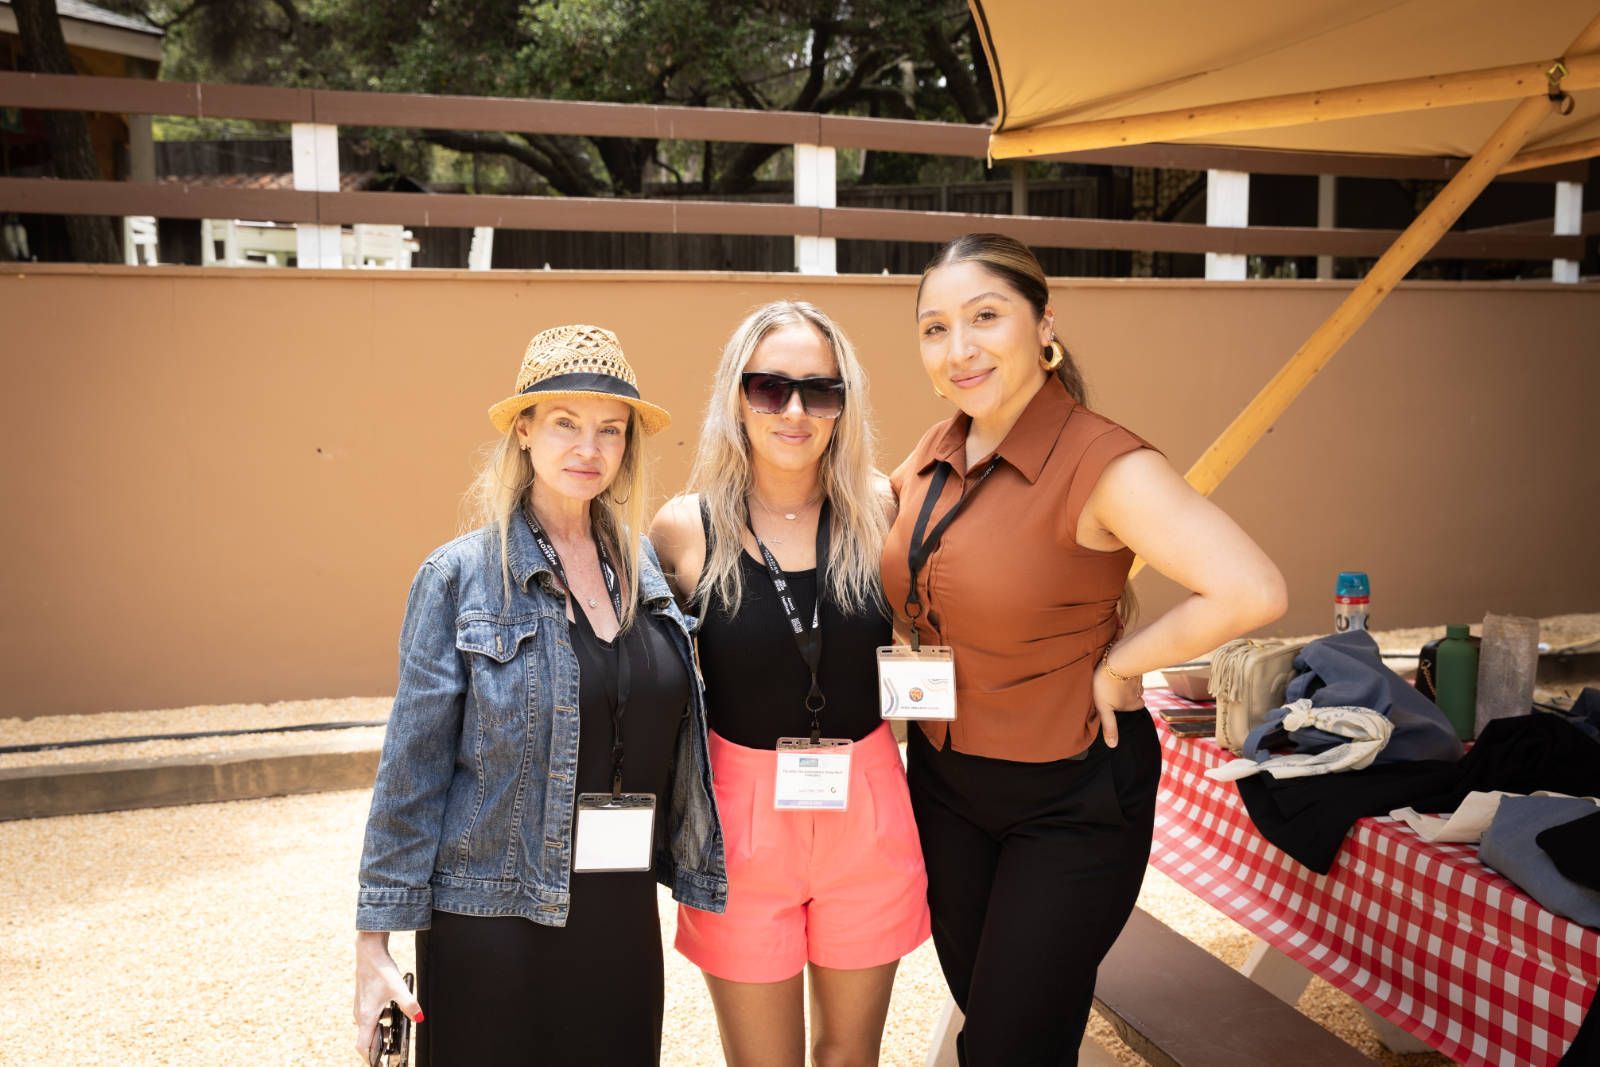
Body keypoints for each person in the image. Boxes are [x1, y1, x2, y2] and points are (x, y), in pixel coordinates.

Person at [884, 234, 1288, 1065]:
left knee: (1006, 1046)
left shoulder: (1104, 463)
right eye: (934, 328)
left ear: (1044, 323)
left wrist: (1121, 663)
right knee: (998, 1020)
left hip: (1068, 797)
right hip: (946, 786)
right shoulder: (936, 448)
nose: (958, 348)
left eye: (985, 317)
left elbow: (1252, 588)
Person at [353, 324, 726, 1066]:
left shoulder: (649, 573)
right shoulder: (459, 577)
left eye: (610, 429)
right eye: (565, 422)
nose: (589, 447)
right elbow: (411, 771)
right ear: (523, 430)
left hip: (619, 915)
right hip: (491, 919)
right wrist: (374, 943)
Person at [650, 301, 930, 1067]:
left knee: (850, 1058)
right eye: (770, 387)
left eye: (820, 390)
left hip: (866, 807)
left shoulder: (880, 510)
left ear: (845, 403)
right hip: (738, 820)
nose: (796, 410)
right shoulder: (686, 529)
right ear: (736, 397)